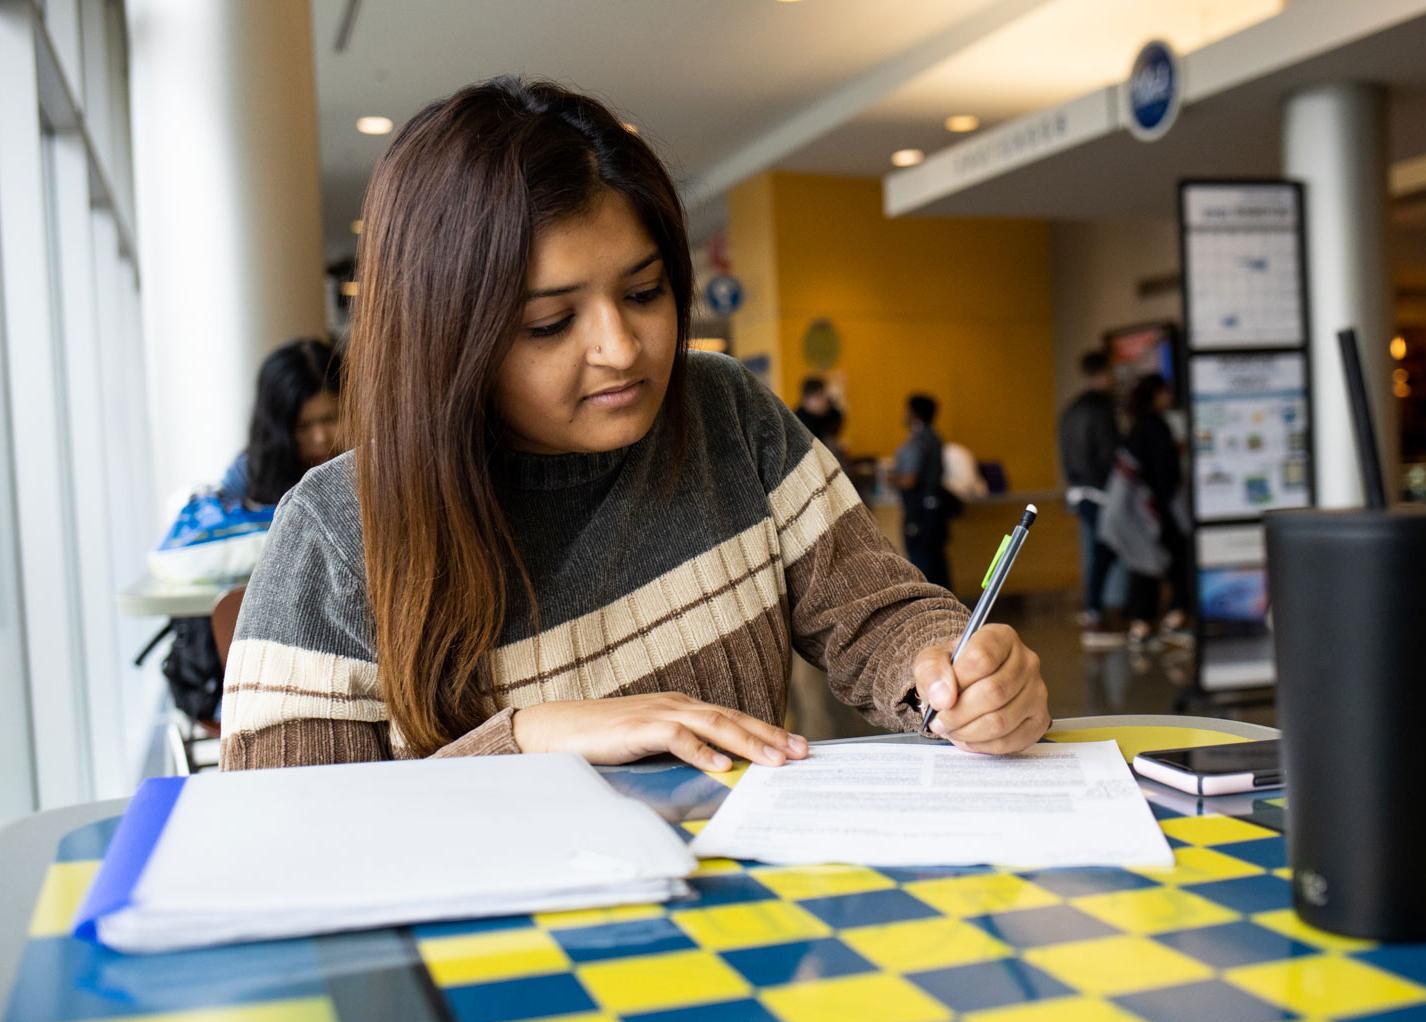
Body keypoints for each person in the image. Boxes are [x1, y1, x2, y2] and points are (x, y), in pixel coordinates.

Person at [221, 78, 1050, 772]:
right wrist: (529, 740)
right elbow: (287, 836)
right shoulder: (337, 537)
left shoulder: (722, 412)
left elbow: (874, 616)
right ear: (447, 341)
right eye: (549, 324)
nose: (622, 349)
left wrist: (955, 674)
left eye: (646, 293)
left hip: (732, 939)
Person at [220, 339, 343, 507]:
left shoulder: (372, 466)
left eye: (330, 418)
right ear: (273, 429)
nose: (320, 438)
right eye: (303, 427)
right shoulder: (244, 481)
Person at [1123, 373, 1190, 646]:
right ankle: (1176, 615)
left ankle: (1141, 623)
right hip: (1160, 509)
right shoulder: (1157, 427)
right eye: (1165, 392)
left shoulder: (1136, 427)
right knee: (1177, 561)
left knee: (1144, 565)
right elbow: (1166, 474)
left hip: (1142, 509)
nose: (1169, 397)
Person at [1058, 350, 1120, 639]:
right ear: (1103, 373)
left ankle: (1094, 608)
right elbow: (1109, 453)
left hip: (1079, 489)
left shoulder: (1071, 410)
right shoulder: (1102, 410)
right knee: (1103, 552)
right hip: (1101, 490)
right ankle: (1095, 610)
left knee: (1096, 552)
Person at [891, 394, 953, 591]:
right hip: (935, 511)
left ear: (914, 413)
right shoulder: (936, 438)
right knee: (937, 562)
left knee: (923, 564)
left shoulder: (918, 441)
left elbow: (910, 480)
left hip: (919, 513)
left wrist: (888, 478)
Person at [793, 376, 844, 446]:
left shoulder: (833, 414)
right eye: (817, 397)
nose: (823, 401)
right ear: (805, 401)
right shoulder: (797, 419)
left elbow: (832, 439)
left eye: (823, 395)